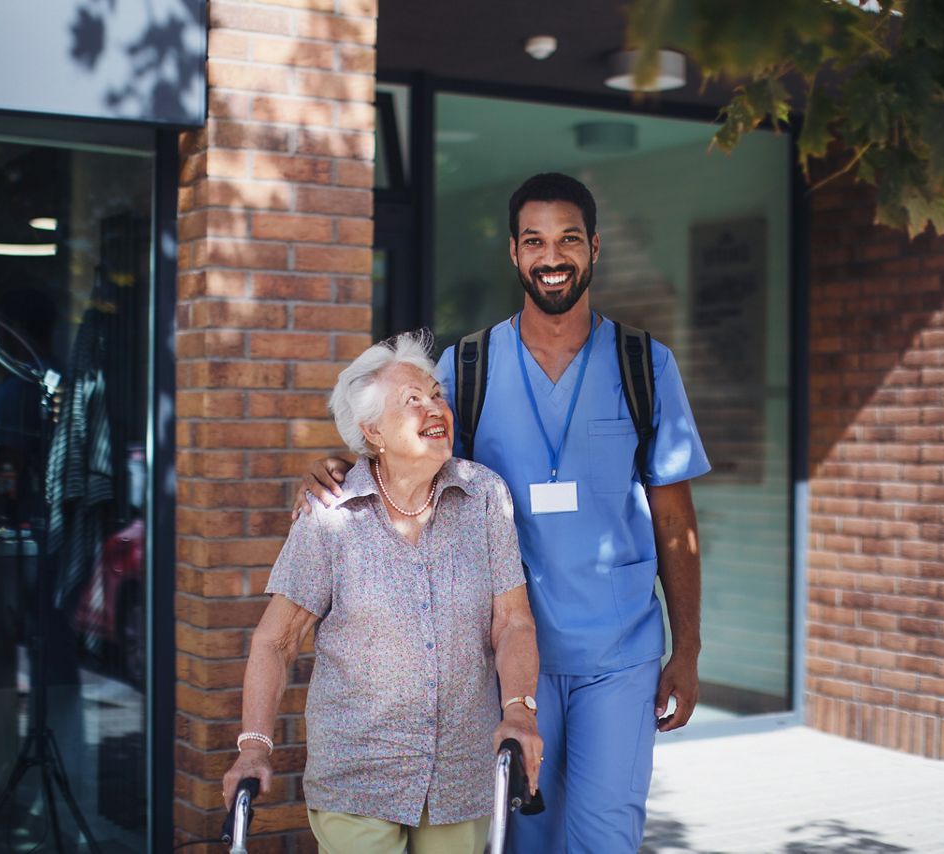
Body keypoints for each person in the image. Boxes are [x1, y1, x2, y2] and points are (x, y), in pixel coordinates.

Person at [297, 173, 710, 852]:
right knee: (522, 835)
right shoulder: (472, 365)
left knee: (606, 837)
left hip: (619, 653)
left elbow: (676, 523)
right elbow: (411, 452)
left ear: (595, 248)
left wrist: (687, 648)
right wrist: (336, 470)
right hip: (509, 657)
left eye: (568, 239)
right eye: (535, 241)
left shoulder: (645, 365)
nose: (553, 256)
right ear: (514, 255)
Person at [226, 331, 542, 854]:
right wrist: (254, 746)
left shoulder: (485, 495)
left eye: (436, 395)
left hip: (460, 778)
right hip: (358, 778)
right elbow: (276, 642)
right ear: (372, 430)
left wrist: (519, 711)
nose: (433, 407)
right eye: (411, 401)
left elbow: (512, 621)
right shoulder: (329, 515)